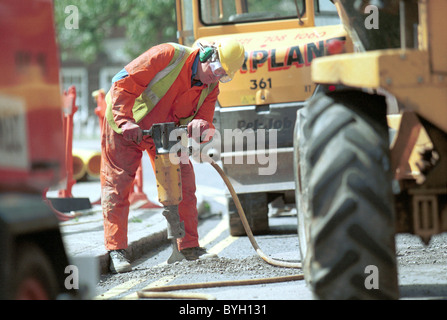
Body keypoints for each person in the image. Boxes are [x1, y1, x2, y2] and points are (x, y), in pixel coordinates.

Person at [101, 38, 245, 273]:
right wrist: (124, 120)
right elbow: (122, 81)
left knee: (184, 185)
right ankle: (116, 249)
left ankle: (188, 246)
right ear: (208, 55)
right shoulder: (168, 55)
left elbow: (205, 127)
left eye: (223, 76)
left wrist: (201, 127)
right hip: (125, 127)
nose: (216, 77)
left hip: (165, 132)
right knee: (117, 186)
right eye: (217, 70)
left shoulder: (211, 88)